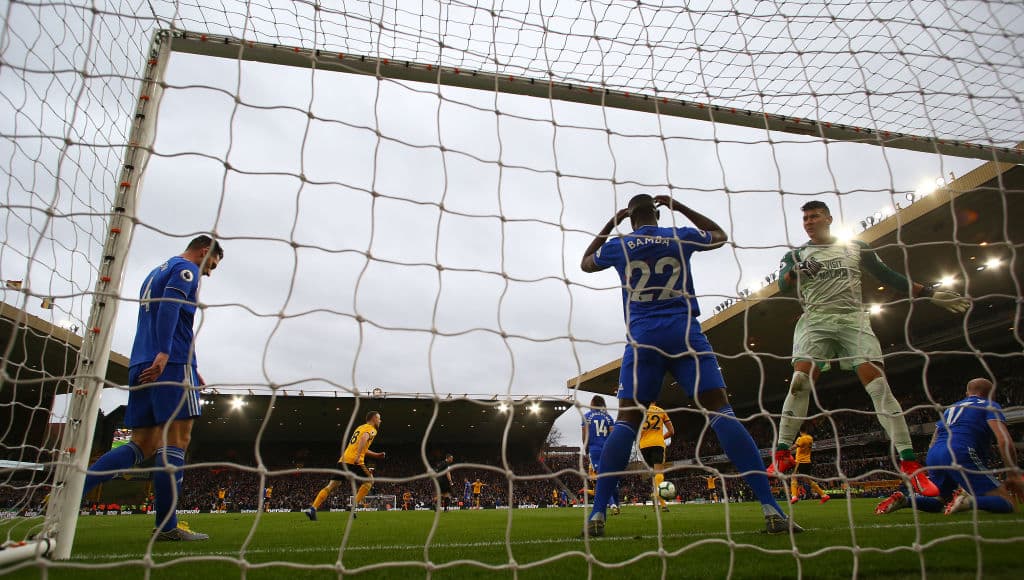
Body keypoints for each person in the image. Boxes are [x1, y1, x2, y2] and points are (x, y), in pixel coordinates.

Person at [580, 193, 799, 537]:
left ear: (630, 217)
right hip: (685, 333)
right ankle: (771, 508)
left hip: (642, 339)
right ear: (656, 212)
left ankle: (596, 516)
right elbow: (719, 236)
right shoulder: (677, 235)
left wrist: (612, 223)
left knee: (626, 422)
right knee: (720, 411)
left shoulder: (620, 245)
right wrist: (678, 207)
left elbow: (585, 262)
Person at [770, 200, 968, 497]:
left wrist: (928, 292)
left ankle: (910, 465)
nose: (809, 222)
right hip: (815, 321)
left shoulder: (856, 247)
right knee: (800, 382)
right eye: (805, 219)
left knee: (879, 388)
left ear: (829, 219)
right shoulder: (796, 254)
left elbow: (889, 276)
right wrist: (796, 270)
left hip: (853, 321)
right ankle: (783, 453)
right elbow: (782, 286)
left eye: (814, 217)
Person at [80, 235, 223, 541]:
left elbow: (163, 314)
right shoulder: (187, 270)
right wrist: (166, 353)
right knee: (177, 439)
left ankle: (72, 492)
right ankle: (167, 527)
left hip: (140, 364)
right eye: (212, 263)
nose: (209, 271)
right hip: (168, 363)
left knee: (142, 445)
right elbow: (170, 308)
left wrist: (188, 367)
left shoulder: (154, 272)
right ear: (203, 250)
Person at [875, 378, 1022, 515]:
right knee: (1008, 502)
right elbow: (1004, 440)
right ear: (991, 394)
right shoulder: (990, 405)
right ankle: (969, 500)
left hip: (935, 453)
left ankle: (905, 500)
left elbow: (934, 438)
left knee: (941, 500)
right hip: (960, 451)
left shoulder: (951, 408)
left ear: (967, 394)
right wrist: (1013, 474)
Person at [303, 411, 385, 521]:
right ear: (374, 418)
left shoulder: (360, 427)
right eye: (379, 418)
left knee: (332, 485)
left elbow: (362, 445)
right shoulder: (372, 429)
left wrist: (376, 455)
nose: (380, 421)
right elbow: (363, 439)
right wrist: (357, 456)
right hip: (355, 461)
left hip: (343, 460)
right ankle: (353, 507)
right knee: (370, 481)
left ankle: (313, 509)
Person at [582, 395, 619, 514]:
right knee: (609, 476)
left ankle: (612, 504)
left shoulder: (587, 416)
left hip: (595, 450)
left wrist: (586, 447)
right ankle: (615, 503)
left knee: (601, 479)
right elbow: (613, 435)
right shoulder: (608, 417)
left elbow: (585, 435)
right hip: (608, 449)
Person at [640, 402, 675, 512]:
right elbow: (671, 432)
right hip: (657, 443)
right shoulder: (661, 411)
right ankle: (659, 499)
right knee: (659, 473)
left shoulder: (640, 411)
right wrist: (661, 437)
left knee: (654, 475)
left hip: (644, 445)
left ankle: (660, 503)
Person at [788, 429, 829, 504]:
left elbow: (795, 446)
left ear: (800, 432)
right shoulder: (810, 438)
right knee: (808, 480)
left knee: (793, 477)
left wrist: (786, 450)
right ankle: (824, 495)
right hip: (808, 461)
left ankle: (794, 497)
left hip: (800, 461)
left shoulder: (801, 439)